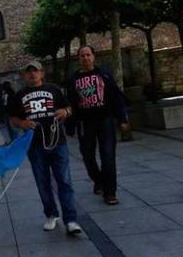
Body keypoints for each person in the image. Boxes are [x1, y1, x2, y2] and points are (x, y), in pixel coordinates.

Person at [9, 61, 82, 235]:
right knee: (43, 182)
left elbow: (69, 108)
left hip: (58, 142)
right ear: (25, 75)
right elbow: (13, 119)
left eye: (35, 71)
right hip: (35, 145)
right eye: (29, 72)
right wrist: (23, 123)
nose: (32, 74)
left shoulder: (54, 90)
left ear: (42, 73)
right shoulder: (19, 96)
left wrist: (66, 112)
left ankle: (71, 220)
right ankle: (51, 214)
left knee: (64, 181)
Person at [67, 45, 130, 205]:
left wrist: (122, 119)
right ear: (78, 59)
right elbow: (70, 103)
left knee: (108, 156)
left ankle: (110, 192)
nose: (85, 58)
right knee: (88, 157)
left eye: (88, 55)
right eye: (82, 55)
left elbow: (117, 98)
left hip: (105, 121)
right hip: (85, 123)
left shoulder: (104, 75)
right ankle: (99, 180)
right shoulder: (73, 79)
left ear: (94, 57)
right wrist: (70, 125)